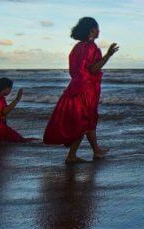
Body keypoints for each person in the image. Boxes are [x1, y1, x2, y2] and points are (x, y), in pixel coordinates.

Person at [43, 17, 119, 164]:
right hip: (87, 89)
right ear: (91, 30)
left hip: (75, 87)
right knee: (83, 122)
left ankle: (96, 150)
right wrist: (108, 55)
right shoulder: (91, 47)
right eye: (97, 28)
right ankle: (71, 156)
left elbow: (74, 70)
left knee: (88, 120)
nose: (99, 31)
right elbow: (93, 68)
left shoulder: (77, 47)